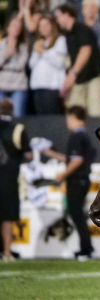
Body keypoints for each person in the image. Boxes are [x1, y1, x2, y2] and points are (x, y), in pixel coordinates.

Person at [42, 106, 96, 261]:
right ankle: (86, 248)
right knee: (77, 214)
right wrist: (51, 154)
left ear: (73, 117)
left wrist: (62, 175)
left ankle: (86, 249)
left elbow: (76, 161)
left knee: (77, 214)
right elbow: (72, 159)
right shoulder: (84, 136)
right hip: (82, 179)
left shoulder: (77, 136)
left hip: (77, 180)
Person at [55, 3, 100, 117]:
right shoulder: (68, 35)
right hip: (80, 79)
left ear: (67, 15)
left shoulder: (81, 29)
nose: (57, 20)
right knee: (74, 113)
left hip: (94, 78)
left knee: (96, 114)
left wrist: (72, 74)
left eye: (58, 16)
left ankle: (98, 134)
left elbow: (85, 51)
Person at [0, 99, 31, 261]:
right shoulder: (17, 129)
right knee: (6, 217)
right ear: (12, 111)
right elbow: (29, 154)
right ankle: (7, 252)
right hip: (8, 178)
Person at [29, 14, 68, 114]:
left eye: (46, 25)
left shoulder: (60, 40)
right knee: (41, 119)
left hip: (52, 87)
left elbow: (59, 63)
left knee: (52, 117)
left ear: (52, 26)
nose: (44, 28)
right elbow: (31, 64)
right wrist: (37, 51)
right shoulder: (38, 42)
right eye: (41, 26)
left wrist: (42, 52)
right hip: (37, 85)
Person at [0, 14, 30, 118]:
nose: (16, 28)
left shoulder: (24, 46)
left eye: (19, 26)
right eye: (14, 25)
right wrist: (6, 54)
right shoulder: (1, 45)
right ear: (8, 27)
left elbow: (20, 65)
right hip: (1, 85)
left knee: (17, 116)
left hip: (18, 86)